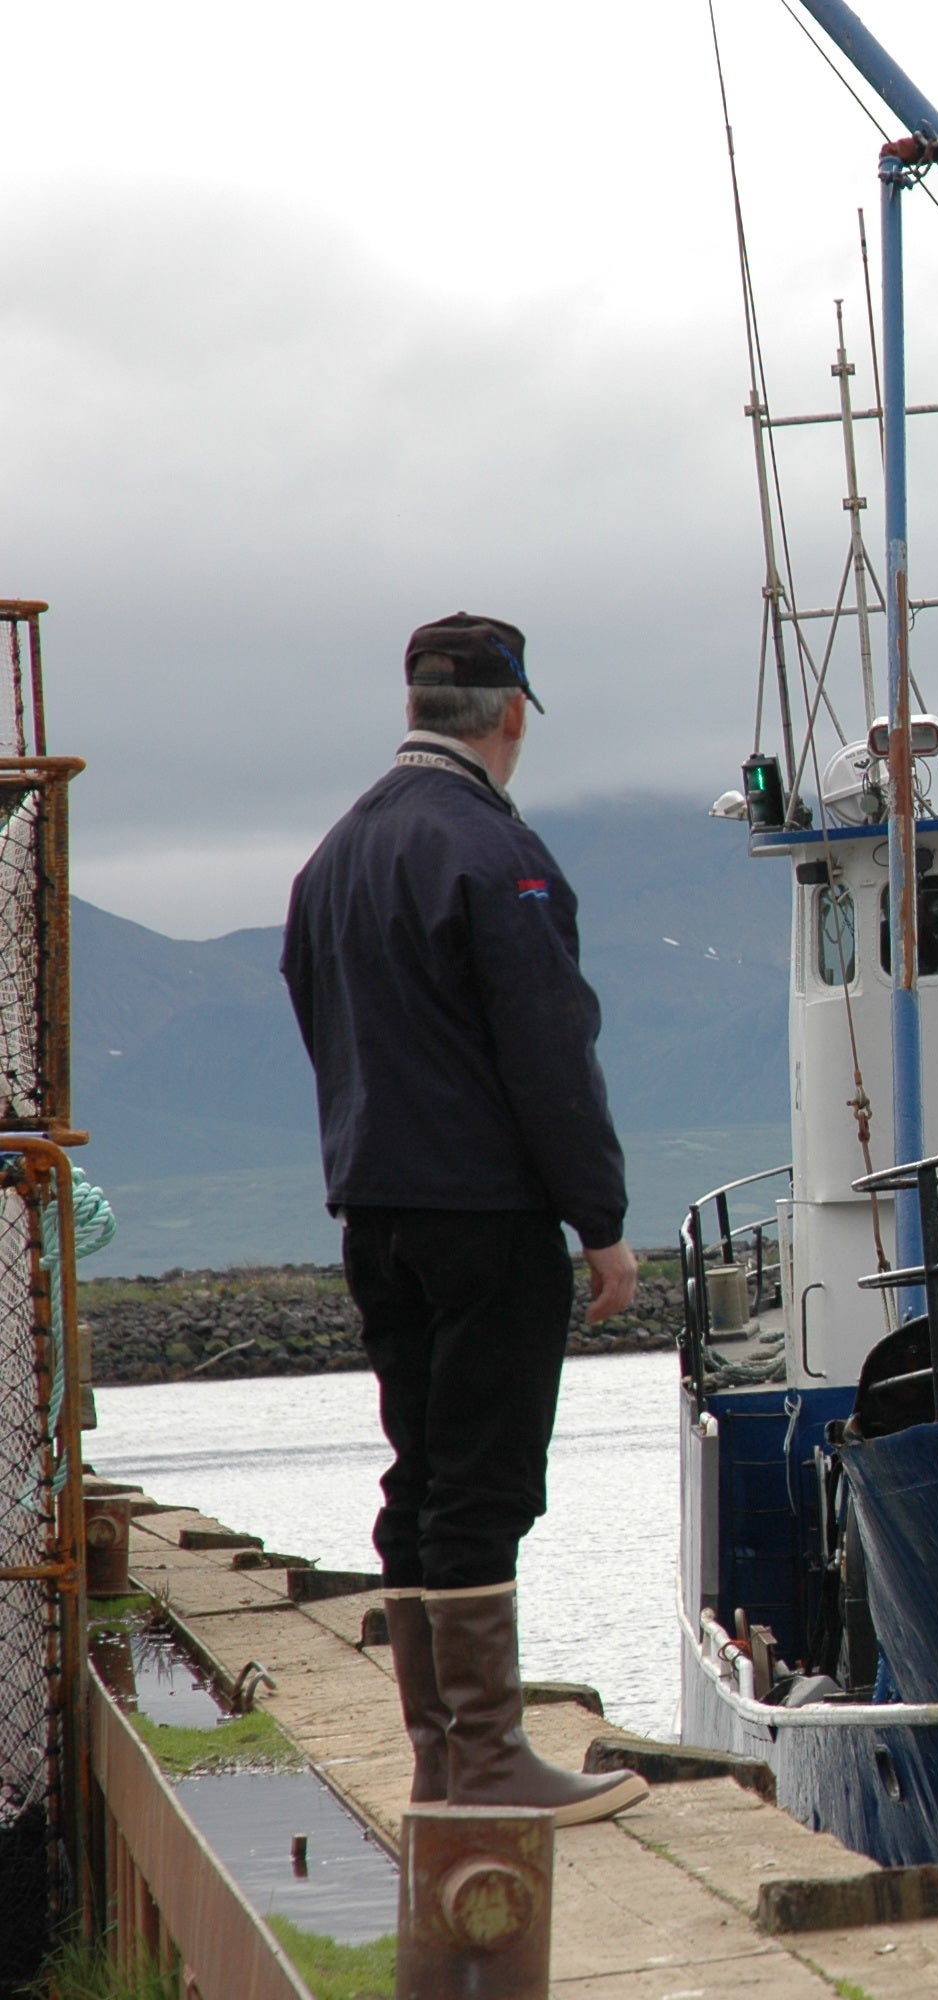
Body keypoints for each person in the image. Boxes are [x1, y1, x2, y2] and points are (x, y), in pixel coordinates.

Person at [280, 613, 646, 1827]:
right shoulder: (495, 853)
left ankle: (442, 1757)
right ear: (509, 713)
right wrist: (598, 1219)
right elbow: (549, 1050)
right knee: (486, 1482)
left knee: (420, 1472)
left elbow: (319, 1019)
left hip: (373, 1205)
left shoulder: (332, 856)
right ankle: (487, 1759)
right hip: (484, 1213)